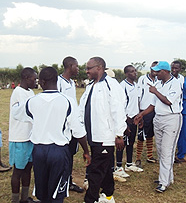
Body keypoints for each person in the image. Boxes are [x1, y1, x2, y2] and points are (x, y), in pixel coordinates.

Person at [16, 67, 91, 203]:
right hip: (59, 151)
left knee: (43, 193)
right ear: (56, 81)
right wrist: (86, 151)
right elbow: (78, 131)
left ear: (42, 82)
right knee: (57, 193)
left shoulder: (32, 101)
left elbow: (18, 114)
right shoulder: (68, 101)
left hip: (38, 151)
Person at [79, 57, 126, 203]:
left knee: (96, 170)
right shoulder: (90, 86)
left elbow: (118, 109)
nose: (86, 71)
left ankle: (91, 199)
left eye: (89, 68)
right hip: (92, 135)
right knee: (104, 168)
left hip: (105, 136)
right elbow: (82, 109)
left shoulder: (111, 84)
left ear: (99, 68)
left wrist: (119, 133)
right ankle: (108, 195)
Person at [134, 61, 182, 193]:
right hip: (158, 118)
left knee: (167, 151)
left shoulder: (176, 83)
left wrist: (155, 91)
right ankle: (167, 177)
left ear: (165, 71)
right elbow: (152, 105)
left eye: (158, 71)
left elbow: (168, 101)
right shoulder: (158, 84)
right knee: (160, 150)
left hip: (171, 118)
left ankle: (163, 182)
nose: (155, 73)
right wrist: (141, 114)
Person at [9, 68, 38, 203]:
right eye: (34, 78)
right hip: (19, 138)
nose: (36, 81)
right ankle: (15, 200)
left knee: (28, 168)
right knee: (18, 171)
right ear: (26, 78)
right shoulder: (17, 93)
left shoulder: (31, 92)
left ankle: (24, 198)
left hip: (30, 137)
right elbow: (19, 113)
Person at [57, 56, 84, 193]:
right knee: (63, 155)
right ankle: (61, 182)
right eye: (77, 66)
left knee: (71, 154)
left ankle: (68, 181)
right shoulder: (59, 82)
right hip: (62, 127)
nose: (78, 68)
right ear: (70, 66)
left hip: (72, 125)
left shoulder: (71, 83)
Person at [114, 65, 143, 179]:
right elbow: (120, 105)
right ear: (126, 74)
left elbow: (137, 102)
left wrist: (140, 117)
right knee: (122, 143)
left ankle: (129, 164)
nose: (134, 73)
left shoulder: (136, 85)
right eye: (131, 72)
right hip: (125, 120)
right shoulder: (123, 86)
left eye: (135, 71)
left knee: (131, 142)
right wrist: (125, 120)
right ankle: (118, 167)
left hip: (135, 119)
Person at [135, 61, 158, 168]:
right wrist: (140, 113)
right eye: (153, 68)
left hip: (155, 111)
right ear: (150, 68)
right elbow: (138, 97)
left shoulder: (159, 80)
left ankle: (149, 156)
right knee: (141, 136)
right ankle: (138, 158)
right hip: (144, 111)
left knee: (150, 135)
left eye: (157, 69)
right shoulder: (142, 79)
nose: (154, 71)